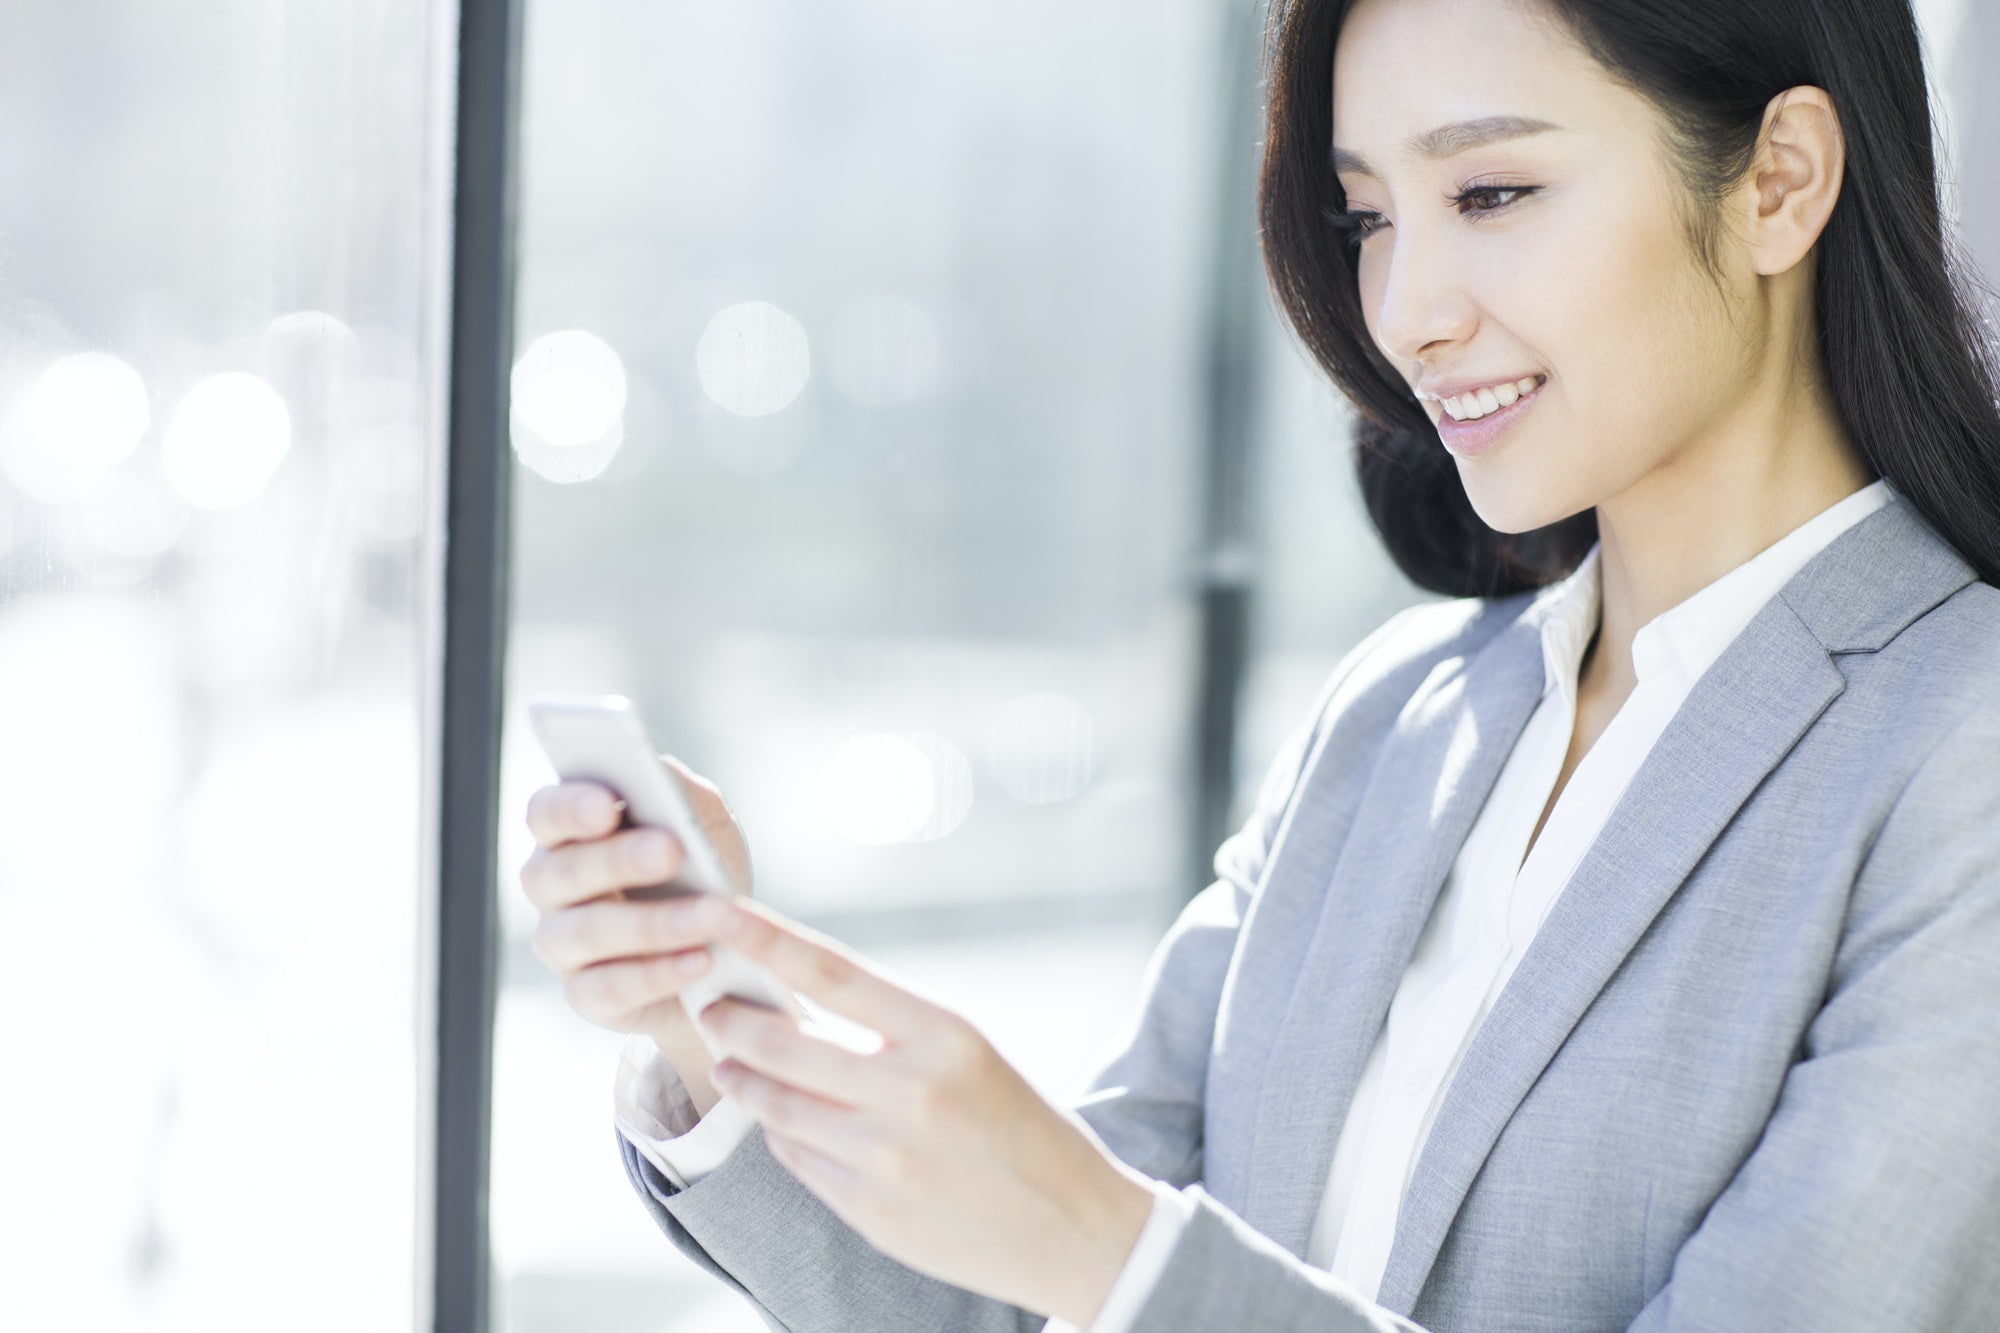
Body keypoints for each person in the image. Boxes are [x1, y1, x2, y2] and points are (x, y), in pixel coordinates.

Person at [517, 0, 2000, 1327]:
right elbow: (1029, 1298)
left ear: (1780, 181)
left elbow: (1114, 1263)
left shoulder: (1959, 745)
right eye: (1369, 219)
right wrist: (708, 1018)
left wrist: (1110, 1249)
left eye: (1491, 190)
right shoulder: (1393, 719)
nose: (1410, 307)